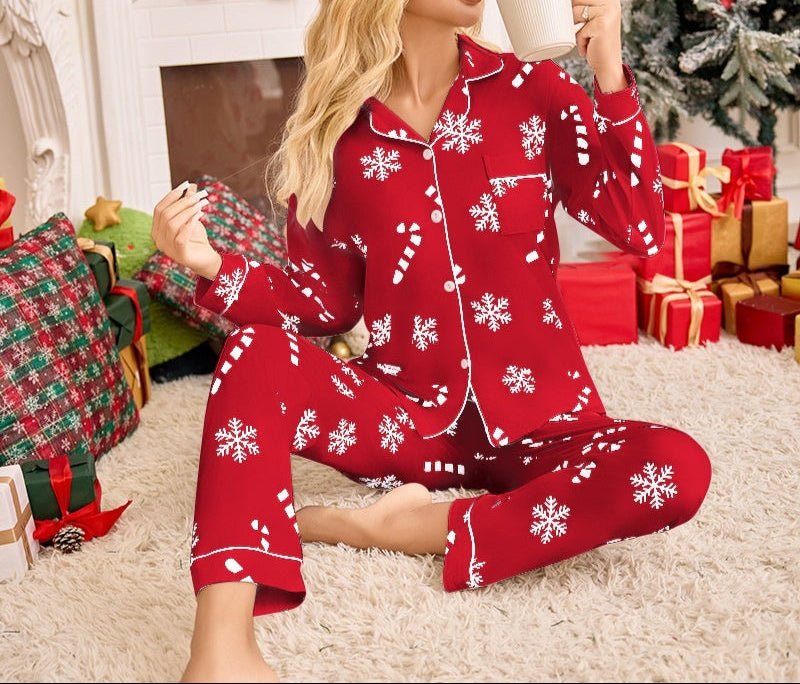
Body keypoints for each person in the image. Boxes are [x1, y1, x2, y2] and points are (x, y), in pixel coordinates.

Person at [151, 1, 712, 681]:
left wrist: (608, 75)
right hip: (410, 423)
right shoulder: (342, 135)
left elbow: (642, 228)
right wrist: (212, 265)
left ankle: (393, 528)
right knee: (253, 355)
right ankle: (221, 650)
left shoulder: (533, 93)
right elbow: (324, 305)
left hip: (546, 422)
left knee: (674, 467)